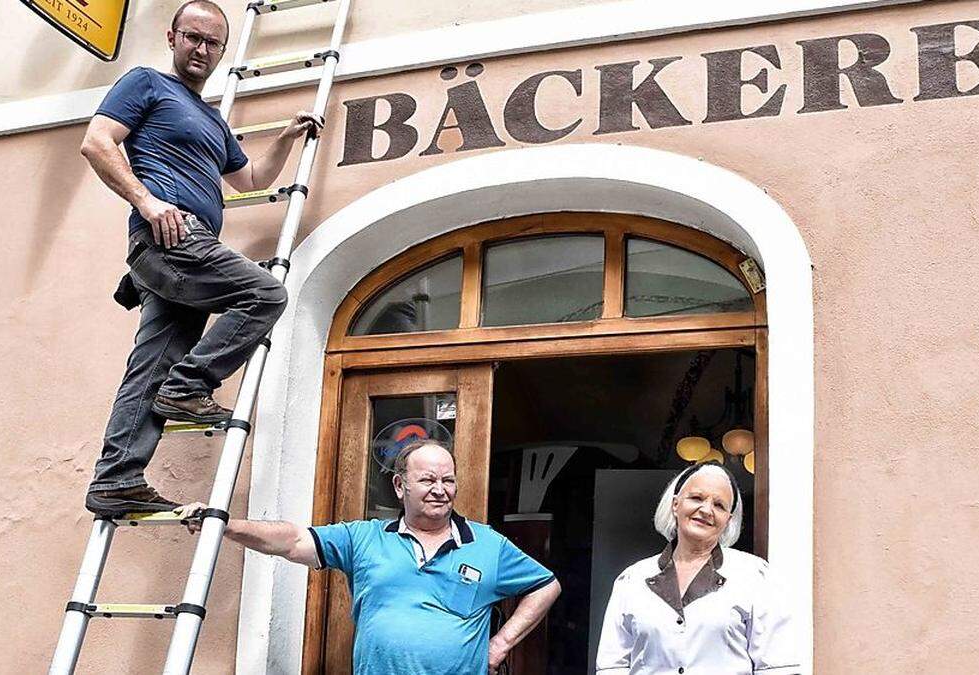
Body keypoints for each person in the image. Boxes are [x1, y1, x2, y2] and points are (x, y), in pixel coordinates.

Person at [82, 0, 325, 517]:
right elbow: (98, 143)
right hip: (171, 240)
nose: (202, 49)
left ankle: (116, 480)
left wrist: (284, 136)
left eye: (212, 42)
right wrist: (147, 202)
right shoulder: (146, 83)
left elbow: (252, 179)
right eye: (192, 37)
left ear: (222, 50)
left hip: (181, 259)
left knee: (148, 370)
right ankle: (189, 386)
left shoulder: (213, 121)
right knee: (265, 293)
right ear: (173, 38)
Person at [178, 439, 562, 675]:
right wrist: (224, 525)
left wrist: (501, 644)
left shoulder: (487, 544)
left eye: (448, 480)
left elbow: (546, 585)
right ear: (400, 485)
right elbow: (292, 540)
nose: (440, 490)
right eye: (428, 480)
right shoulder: (363, 538)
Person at [596, 462, 801, 675]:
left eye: (719, 505)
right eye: (696, 498)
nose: (706, 510)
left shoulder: (756, 577)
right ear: (675, 505)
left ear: (728, 520)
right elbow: (612, 666)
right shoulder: (632, 580)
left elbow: (778, 667)